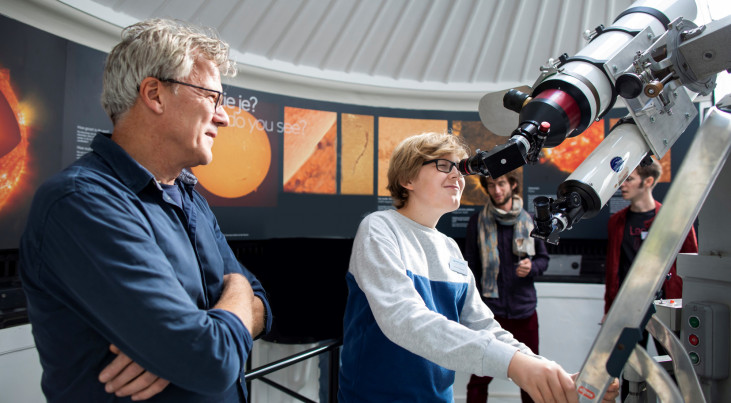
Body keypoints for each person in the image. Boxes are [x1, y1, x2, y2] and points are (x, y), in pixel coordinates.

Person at [19, 19, 272, 402]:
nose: (223, 117)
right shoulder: (81, 203)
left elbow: (262, 303)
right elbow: (210, 359)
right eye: (212, 97)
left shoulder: (189, 197)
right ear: (154, 94)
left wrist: (191, 338)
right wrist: (233, 298)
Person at [338, 132, 618, 402]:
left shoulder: (449, 247)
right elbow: (404, 318)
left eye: (459, 169)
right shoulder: (380, 228)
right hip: (376, 396)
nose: (457, 176)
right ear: (407, 178)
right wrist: (515, 365)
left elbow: (484, 327)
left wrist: (551, 374)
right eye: (443, 165)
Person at [604, 159, 697, 400]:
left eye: (629, 179)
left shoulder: (673, 219)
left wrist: (686, 307)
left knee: (675, 366)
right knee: (627, 366)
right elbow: (613, 271)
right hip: (629, 308)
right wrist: (608, 311)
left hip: (664, 307)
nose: (622, 185)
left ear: (648, 182)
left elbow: (691, 267)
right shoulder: (617, 222)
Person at [464, 171, 550, 403]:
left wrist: (531, 267)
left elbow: (543, 260)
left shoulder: (530, 220)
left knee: (531, 376)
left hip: (524, 312)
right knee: (480, 377)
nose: (497, 191)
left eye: (501, 184)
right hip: (491, 314)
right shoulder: (477, 222)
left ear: (512, 185)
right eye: (491, 185)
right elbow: (470, 266)